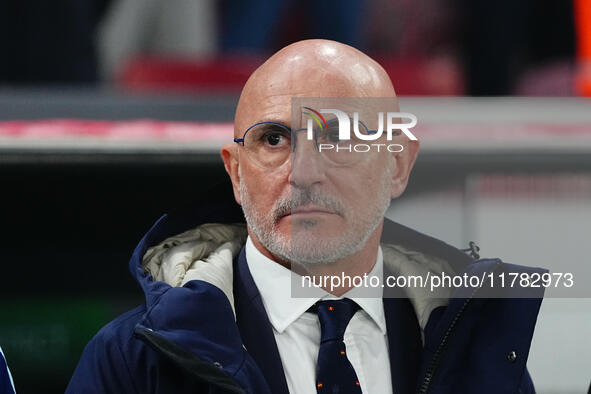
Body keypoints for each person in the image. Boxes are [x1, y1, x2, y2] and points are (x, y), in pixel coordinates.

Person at [66, 39, 545, 394]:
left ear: (397, 164)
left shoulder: (478, 348)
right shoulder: (133, 359)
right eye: (273, 139)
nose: (305, 173)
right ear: (236, 173)